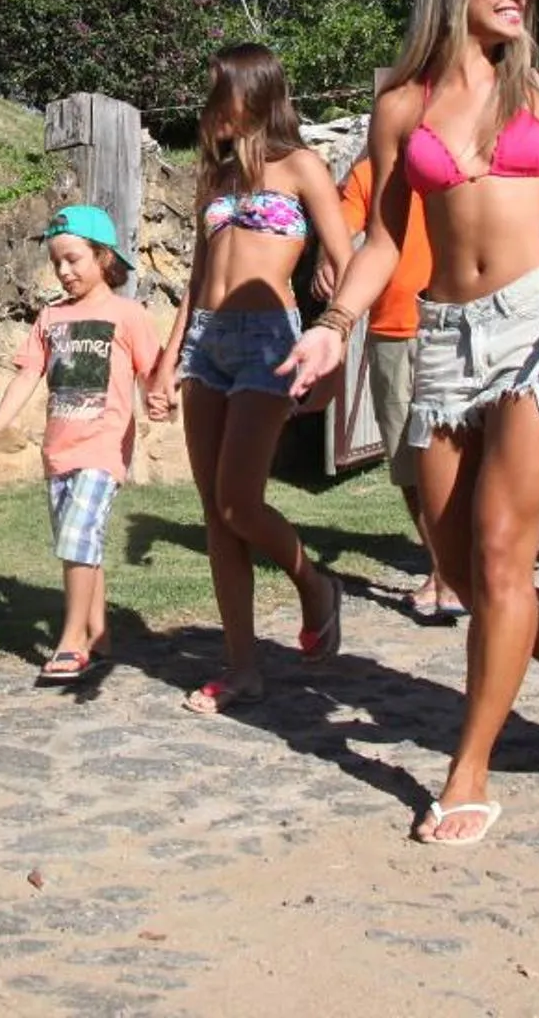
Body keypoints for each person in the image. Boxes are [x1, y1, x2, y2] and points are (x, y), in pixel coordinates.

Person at [279, 0, 539, 846]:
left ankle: (468, 770)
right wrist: (333, 327)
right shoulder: (401, 104)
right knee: (456, 558)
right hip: (444, 332)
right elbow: (385, 239)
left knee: (500, 550)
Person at [146, 46, 351, 715]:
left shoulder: (302, 167)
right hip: (206, 343)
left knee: (239, 501)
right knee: (215, 513)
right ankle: (242, 668)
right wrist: (168, 361)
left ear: (253, 92)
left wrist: (337, 353)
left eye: (218, 92)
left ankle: (314, 584)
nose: (208, 106)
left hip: (270, 342)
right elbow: (197, 279)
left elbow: (348, 262)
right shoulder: (216, 178)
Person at [0, 205, 163, 684]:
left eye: (73, 259)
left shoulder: (128, 315)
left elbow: (153, 372)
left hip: (103, 448)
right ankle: (99, 635)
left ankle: (71, 641)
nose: (63, 270)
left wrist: (161, 399)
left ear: (104, 257)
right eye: (56, 261)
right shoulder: (51, 316)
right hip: (58, 451)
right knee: (80, 542)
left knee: (77, 536)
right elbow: (28, 375)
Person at [335, 150, 464, 623]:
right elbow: (340, 231)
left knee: (453, 456)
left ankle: (455, 571)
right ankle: (443, 568)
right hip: (390, 330)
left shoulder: (454, 162)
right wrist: (329, 261)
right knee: (406, 462)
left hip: (451, 325)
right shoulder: (369, 174)